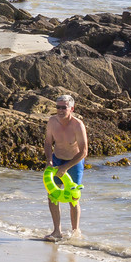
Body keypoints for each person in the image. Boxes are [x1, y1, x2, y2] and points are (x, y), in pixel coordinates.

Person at [43, 94, 89, 242]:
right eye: (58, 107)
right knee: (52, 195)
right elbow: (48, 143)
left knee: (73, 198)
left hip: (74, 162)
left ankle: (75, 232)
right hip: (57, 159)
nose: (60, 110)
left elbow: (84, 152)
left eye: (64, 107)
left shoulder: (77, 125)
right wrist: (49, 160)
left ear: (71, 109)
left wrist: (66, 167)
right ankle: (57, 231)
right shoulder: (52, 121)